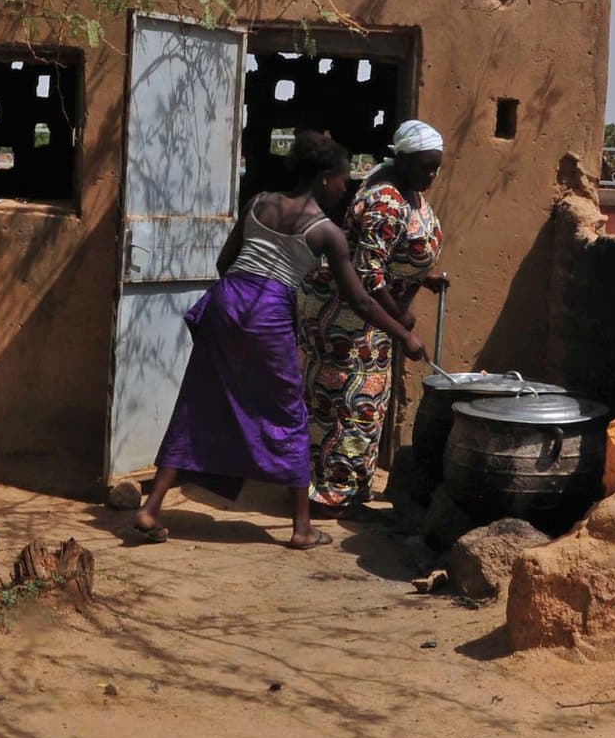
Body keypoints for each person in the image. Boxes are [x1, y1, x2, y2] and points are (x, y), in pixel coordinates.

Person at [134, 133, 425, 549]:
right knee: (291, 414)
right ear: (325, 178)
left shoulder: (258, 202)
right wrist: (404, 337)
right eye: (345, 180)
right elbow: (359, 298)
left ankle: (151, 507)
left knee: (199, 400)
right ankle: (302, 528)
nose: (348, 188)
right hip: (267, 314)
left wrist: (241, 303)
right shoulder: (327, 233)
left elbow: (223, 262)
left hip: (226, 302)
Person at [299, 119, 450, 513]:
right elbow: (368, 278)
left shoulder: (404, 187)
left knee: (364, 407)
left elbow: (390, 255)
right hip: (349, 320)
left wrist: (423, 275)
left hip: (370, 321)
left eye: (436, 167)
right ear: (402, 159)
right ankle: (329, 496)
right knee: (345, 406)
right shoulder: (385, 200)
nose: (431, 174)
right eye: (424, 166)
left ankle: (350, 491)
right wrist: (402, 326)